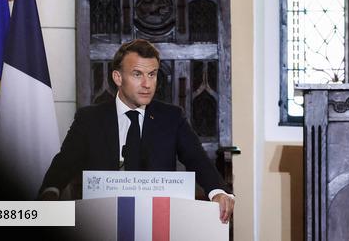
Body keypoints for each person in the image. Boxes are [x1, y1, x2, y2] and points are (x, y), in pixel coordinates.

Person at [39, 39, 235, 223]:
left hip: (158, 223)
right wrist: (50, 191)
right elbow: (64, 162)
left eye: (152, 74)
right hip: (102, 222)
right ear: (118, 77)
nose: (147, 84)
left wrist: (218, 191)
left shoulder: (171, 118)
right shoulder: (89, 119)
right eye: (137, 74)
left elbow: (197, 159)